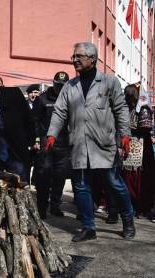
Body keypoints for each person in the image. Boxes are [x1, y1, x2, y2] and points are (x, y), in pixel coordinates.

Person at [47, 42, 135, 242]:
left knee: (114, 183)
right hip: (79, 143)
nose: (75, 59)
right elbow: (60, 111)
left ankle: (128, 219)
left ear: (92, 59)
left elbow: (121, 109)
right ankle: (88, 227)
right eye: (74, 56)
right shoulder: (70, 86)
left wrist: (125, 135)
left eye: (80, 56)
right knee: (80, 186)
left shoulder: (109, 82)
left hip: (103, 143)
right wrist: (52, 134)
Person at [32, 71, 70, 219]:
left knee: (60, 177)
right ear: (53, 83)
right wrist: (36, 139)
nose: (59, 88)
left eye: (63, 86)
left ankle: (55, 206)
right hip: (46, 145)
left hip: (63, 144)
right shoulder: (42, 99)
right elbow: (34, 121)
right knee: (44, 176)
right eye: (58, 85)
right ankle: (42, 208)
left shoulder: (69, 100)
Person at [122, 84, 155, 218]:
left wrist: (130, 130)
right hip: (130, 147)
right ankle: (131, 205)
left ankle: (142, 206)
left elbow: (145, 128)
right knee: (128, 177)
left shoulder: (143, 108)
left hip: (142, 148)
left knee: (141, 178)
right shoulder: (127, 108)